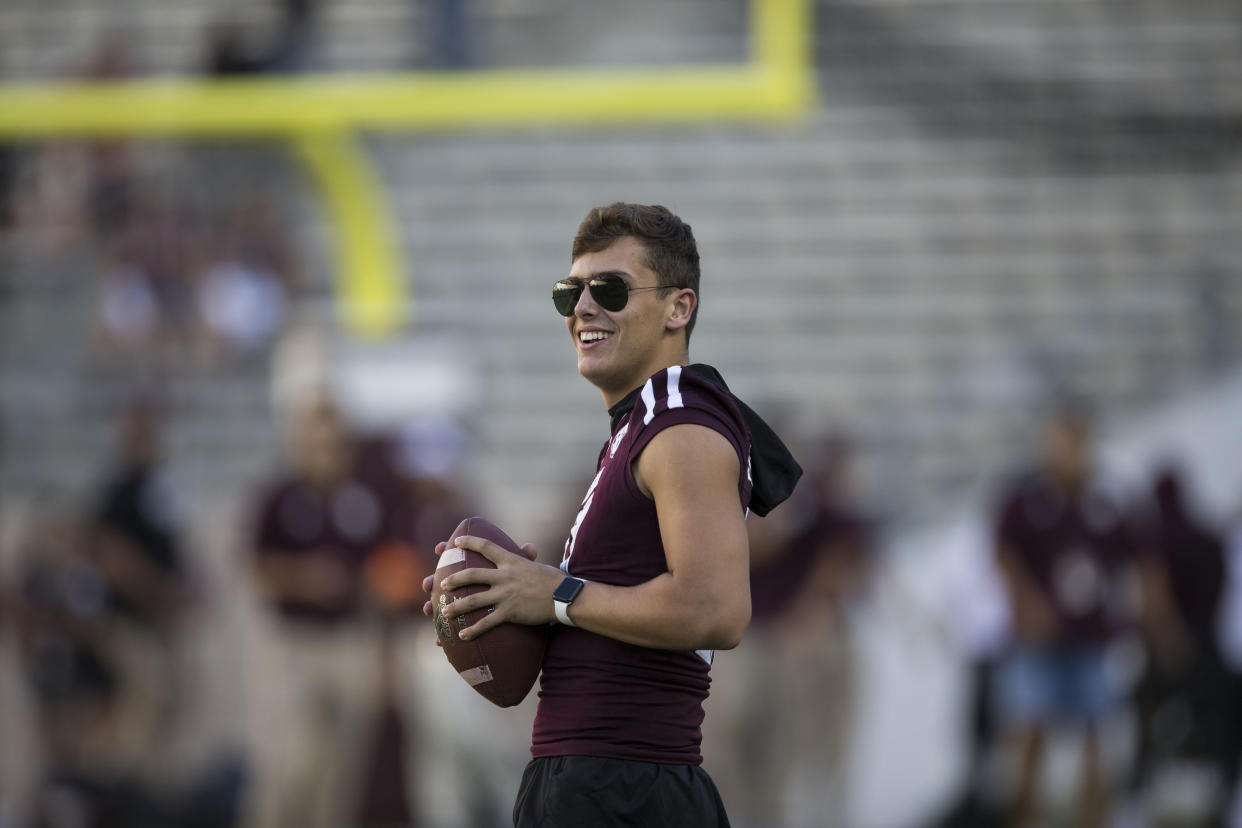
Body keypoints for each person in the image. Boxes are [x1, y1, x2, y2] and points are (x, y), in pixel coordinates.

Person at [422, 202, 801, 827]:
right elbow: (596, 614)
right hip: (596, 778)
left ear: (679, 308)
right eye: (569, 293)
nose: (583, 309)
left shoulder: (681, 427)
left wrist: (556, 592)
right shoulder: (640, 424)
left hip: (626, 784)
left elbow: (716, 610)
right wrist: (496, 596)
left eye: (610, 289)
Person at [990, 403, 1137, 828]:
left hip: (1091, 637)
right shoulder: (1025, 499)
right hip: (1038, 640)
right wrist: (1026, 603)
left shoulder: (1107, 500)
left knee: (1097, 738)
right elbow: (1003, 554)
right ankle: (1023, 817)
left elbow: (1136, 558)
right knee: (1029, 736)